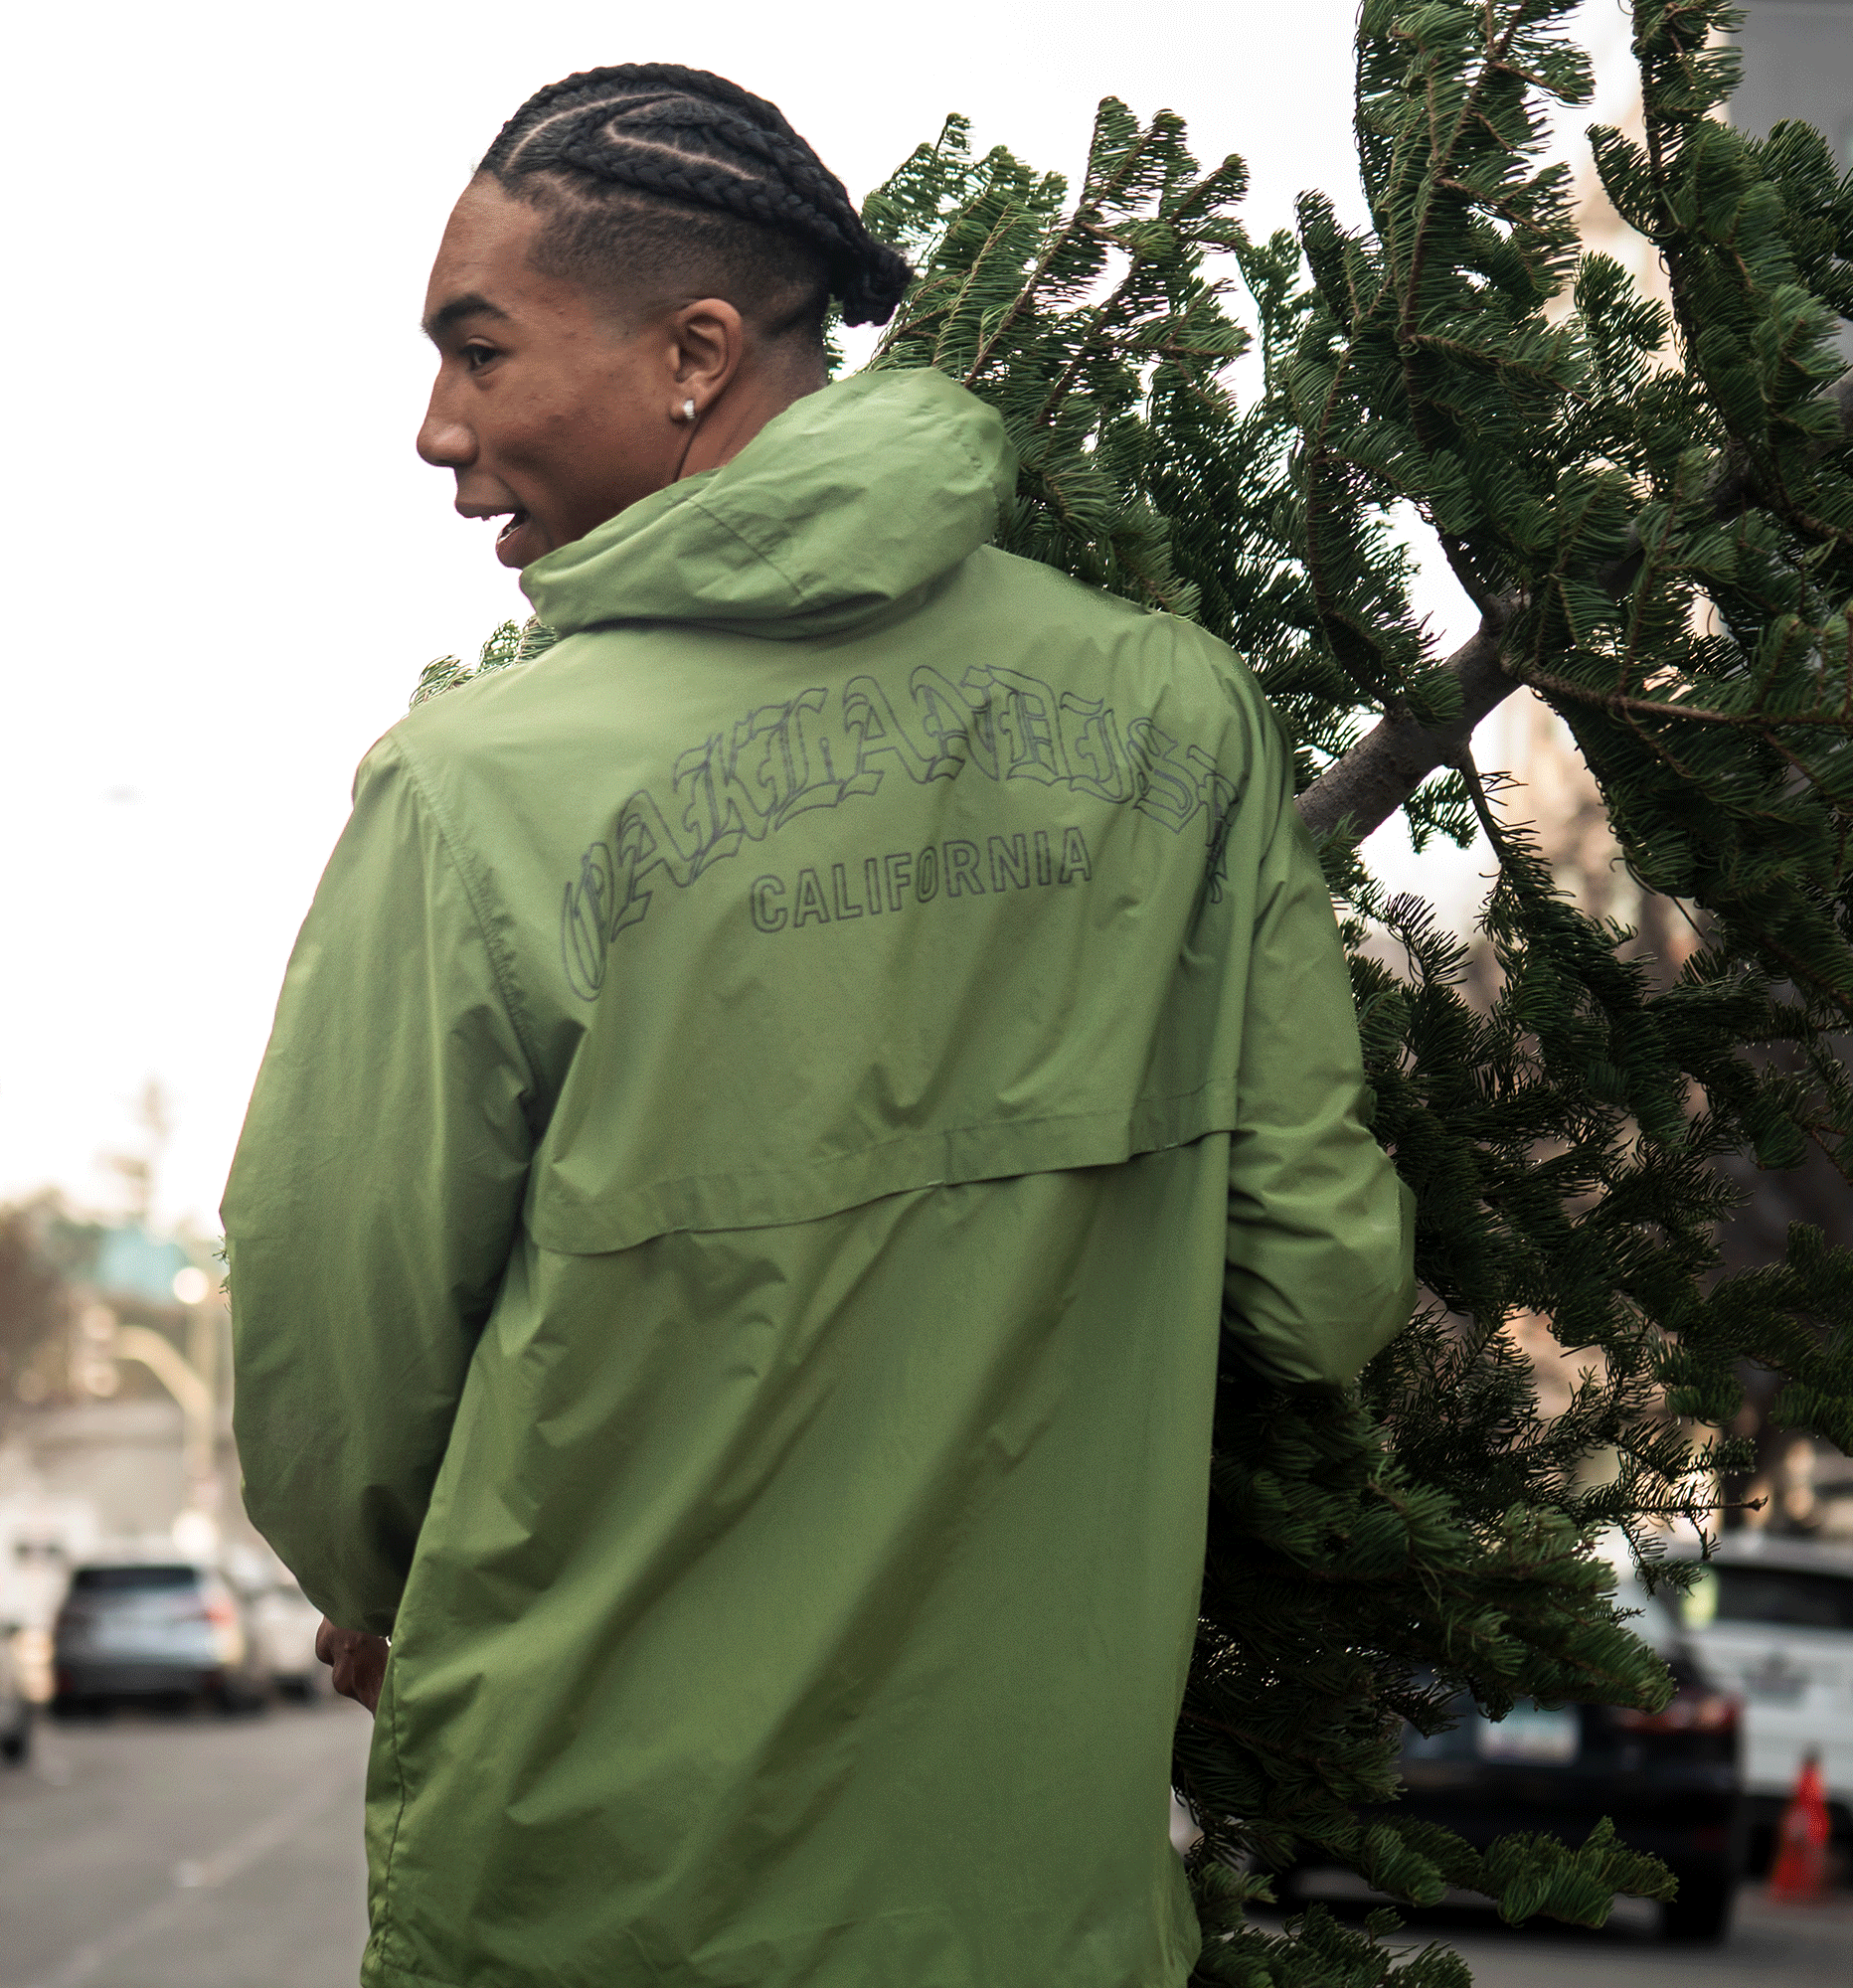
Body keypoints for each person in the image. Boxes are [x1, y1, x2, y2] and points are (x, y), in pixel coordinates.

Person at [224, 63, 1415, 1988]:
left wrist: (379, 1589)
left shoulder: (480, 790)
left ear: (694, 350)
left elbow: (331, 1346)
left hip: (595, 1896)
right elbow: (1319, 1290)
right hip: (1039, 1905)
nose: (435, 428)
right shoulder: (1180, 719)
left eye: (478, 350)